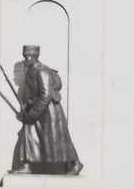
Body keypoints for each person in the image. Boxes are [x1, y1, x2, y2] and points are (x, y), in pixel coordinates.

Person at [11, 45, 83, 175]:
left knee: (59, 139)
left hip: (49, 112)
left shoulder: (41, 71)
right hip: (39, 110)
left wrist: (32, 114)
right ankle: (28, 164)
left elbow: (45, 95)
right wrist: (25, 111)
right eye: (25, 55)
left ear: (36, 56)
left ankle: (75, 164)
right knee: (29, 133)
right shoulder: (32, 70)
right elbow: (32, 96)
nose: (27, 58)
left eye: (30, 56)